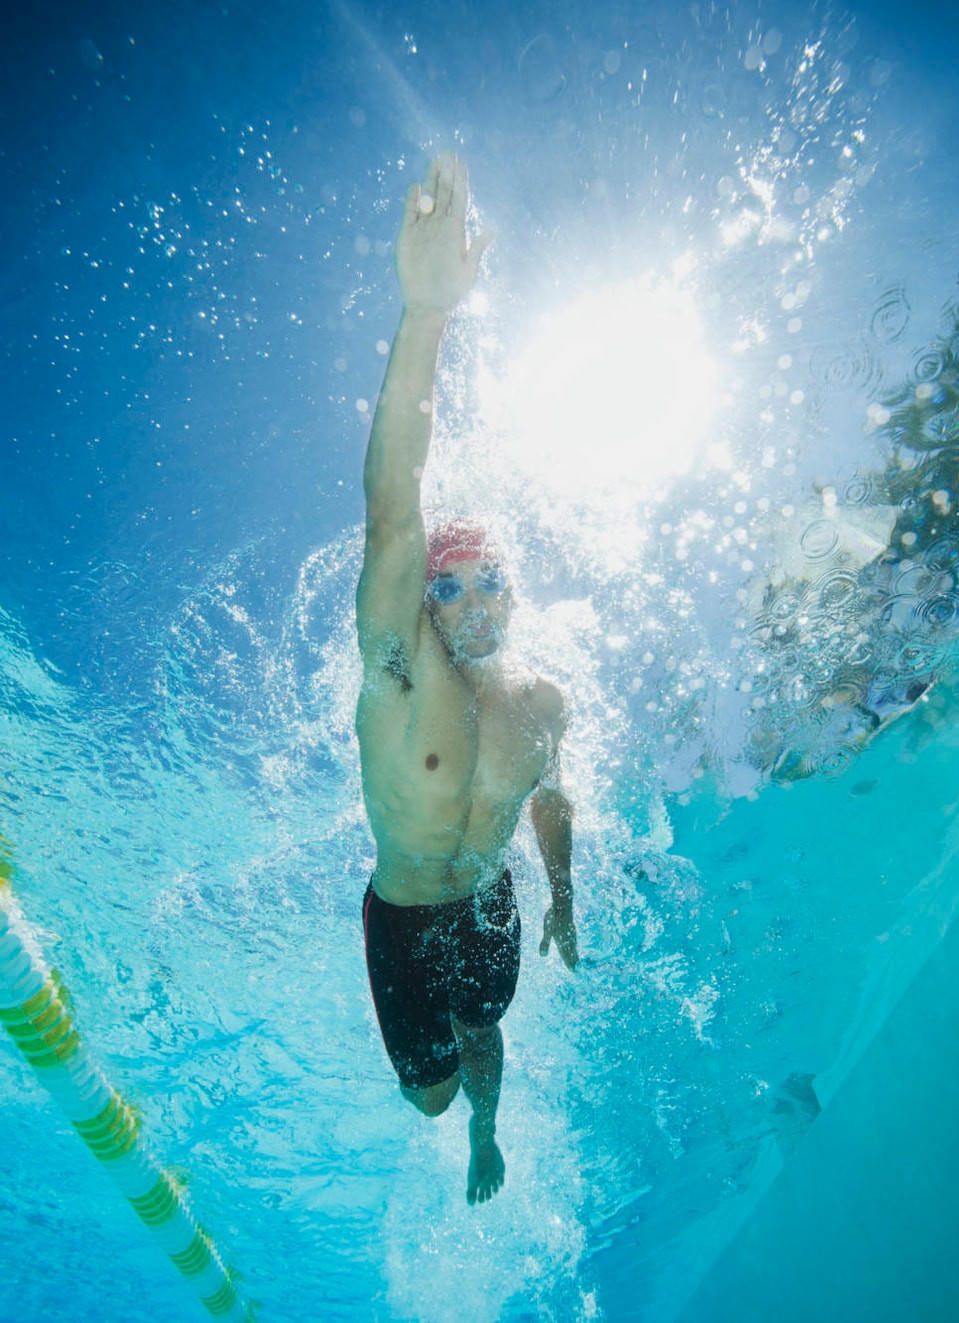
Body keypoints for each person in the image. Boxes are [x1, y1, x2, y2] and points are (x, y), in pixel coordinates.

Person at [356, 154, 578, 1206]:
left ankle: (490, 1134)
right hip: (402, 914)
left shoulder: (542, 704)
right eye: (451, 586)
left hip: (487, 906)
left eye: (494, 581)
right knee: (427, 1096)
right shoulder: (400, 676)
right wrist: (427, 314)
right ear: (424, 600)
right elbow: (394, 505)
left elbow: (552, 795)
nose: (476, 602)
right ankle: (458, 1119)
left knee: (482, 1039)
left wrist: (564, 891)